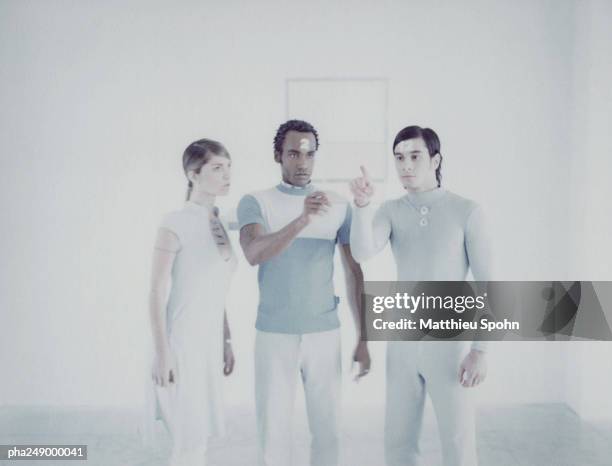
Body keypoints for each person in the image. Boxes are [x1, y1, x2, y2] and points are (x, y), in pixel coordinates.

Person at [349, 126, 492, 466]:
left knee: (457, 441)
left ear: (436, 159)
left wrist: (480, 350)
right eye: (399, 158)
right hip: (403, 342)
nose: (406, 166)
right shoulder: (390, 210)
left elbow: (489, 285)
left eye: (415, 156)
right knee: (398, 442)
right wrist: (362, 206)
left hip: (450, 343)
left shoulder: (467, 211)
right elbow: (362, 251)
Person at [237, 119, 371, 466]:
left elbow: (354, 272)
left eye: (309, 154)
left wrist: (364, 338)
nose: (302, 162)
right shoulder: (255, 201)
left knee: (328, 432)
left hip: (324, 334)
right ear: (278, 155)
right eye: (294, 153)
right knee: (274, 432)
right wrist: (302, 220)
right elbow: (253, 253)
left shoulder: (339, 206)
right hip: (273, 335)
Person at [146, 139, 237, 466]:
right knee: (188, 445)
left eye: (228, 167)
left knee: (199, 445)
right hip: (180, 346)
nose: (227, 174)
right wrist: (162, 352)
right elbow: (156, 292)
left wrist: (225, 339)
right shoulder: (174, 223)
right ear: (193, 174)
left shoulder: (222, 224)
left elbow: (216, 289)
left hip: (207, 347)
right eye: (217, 168)